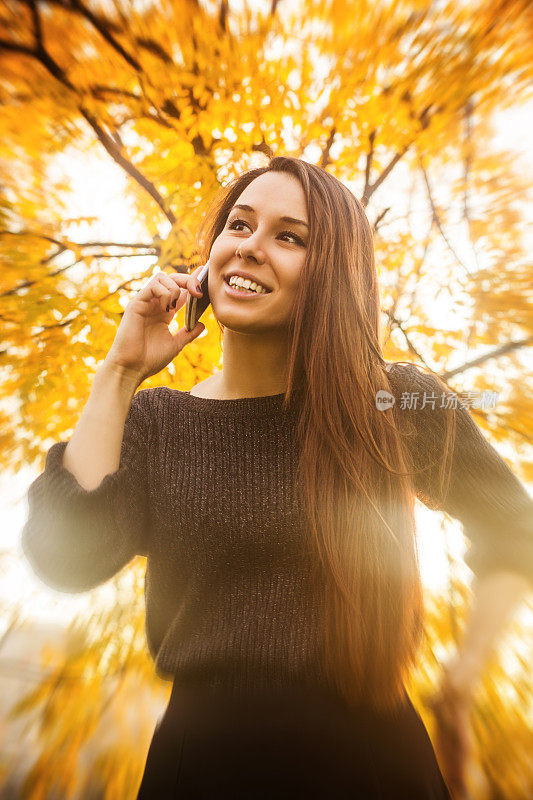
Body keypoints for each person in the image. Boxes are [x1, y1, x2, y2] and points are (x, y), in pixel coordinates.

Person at [21, 156, 532, 799]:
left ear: (333, 276)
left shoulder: (392, 402)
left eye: (289, 237)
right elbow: (67, 558)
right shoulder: (158, 420)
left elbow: (516, 525)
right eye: (239, 225)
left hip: (371, 766)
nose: (250, 249)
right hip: (200, 767)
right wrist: (120, 374)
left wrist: (463, 672)